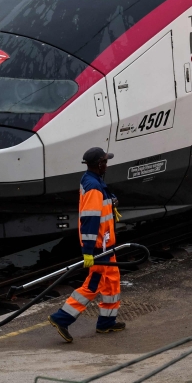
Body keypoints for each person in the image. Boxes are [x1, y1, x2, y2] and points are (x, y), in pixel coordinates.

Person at [48, 147, 125, 343]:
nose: (107, 164)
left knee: (112, 281)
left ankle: (107, 322)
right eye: (105, 161)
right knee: (94, 284)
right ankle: (61, 318)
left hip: (106, 244)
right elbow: (90, 219)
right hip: (99, 247)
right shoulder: (93, 187)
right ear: (99, 164)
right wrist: (88, 251)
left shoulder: (93, 180)